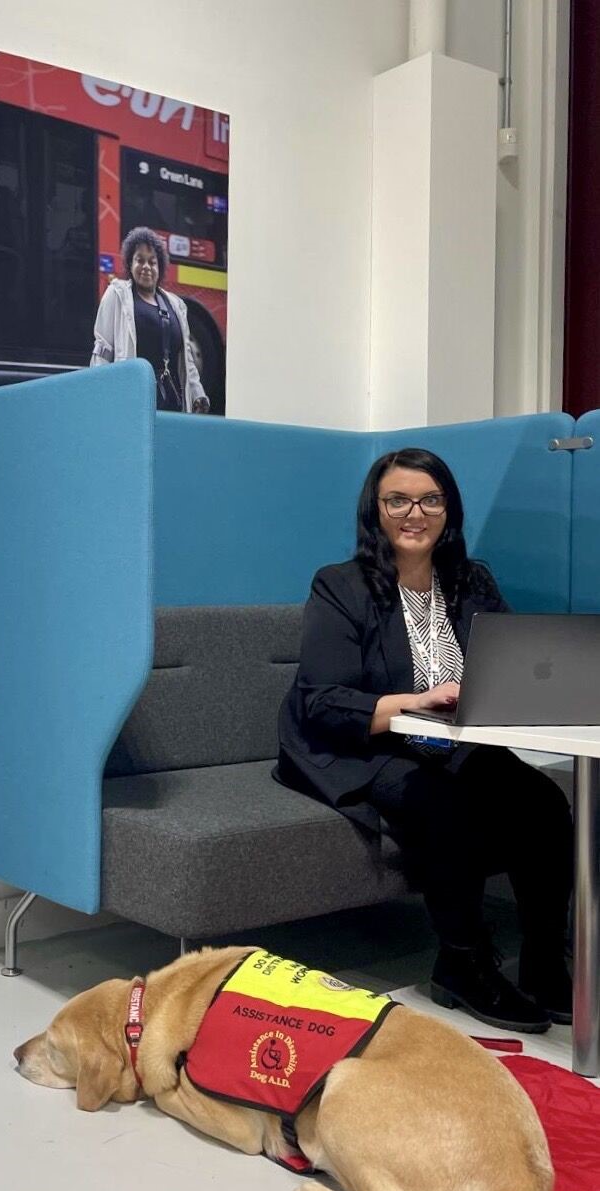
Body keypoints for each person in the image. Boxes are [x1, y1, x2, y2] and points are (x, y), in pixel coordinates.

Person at [276, 447, 573, 1033]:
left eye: (431, 499)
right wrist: (415, 701)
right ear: (376, 510)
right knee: (444, 805)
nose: (416, 512)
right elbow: (321, 700)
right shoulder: (341, 585)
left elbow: (510, 664)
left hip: (448, 741)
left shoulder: (471, 580)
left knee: (543, 802)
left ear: (449, 510)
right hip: (362, 743)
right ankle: (461, 964)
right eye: (398, 499)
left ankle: (543, 962)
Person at [90, 226, 211, 414]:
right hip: (132, 404)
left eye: (152, 262)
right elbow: (103, 348)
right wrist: (100, 395)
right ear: (130, 263)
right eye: (140, 260)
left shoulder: (177, 305)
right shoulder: (117, 294)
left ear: (160, 268)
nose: (146, 266)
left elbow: (186, 358)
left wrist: (197, 394)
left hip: (171, 404)